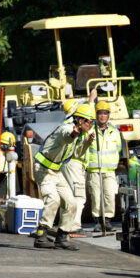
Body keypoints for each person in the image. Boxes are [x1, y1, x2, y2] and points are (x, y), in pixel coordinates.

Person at [33, 104, 95, 250]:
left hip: (56, 171)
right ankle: (41, 235)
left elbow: (78, 154)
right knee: (53, 199)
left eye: (92, 122)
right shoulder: (67, 129)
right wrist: (74, 135)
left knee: (71, 203)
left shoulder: (81, 134)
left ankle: (62, 237)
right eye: (88, 121)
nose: (90, 125)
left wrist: (86, 142)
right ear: (79, 121)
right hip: (43, 170)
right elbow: (67, 137)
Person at [60, 90, 97, 238]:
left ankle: (66, 225)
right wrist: (91, 100)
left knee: (69, 197)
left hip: (68, 164)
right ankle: (74, 227)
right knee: (78, 197)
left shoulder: (67, 124)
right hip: (74, 164)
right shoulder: (74, 126)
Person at [87, 101, 121, 232]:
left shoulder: (114, 131)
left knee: (109, 195)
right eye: (100, 113)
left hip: (109, 170)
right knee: (96, 196)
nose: (102, 116)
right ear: (96, 115)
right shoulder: (90, 130)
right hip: (94, 169)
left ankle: (107, 221)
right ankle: (97, 221)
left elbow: (118, 148)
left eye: (105, 114)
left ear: (108, 116)